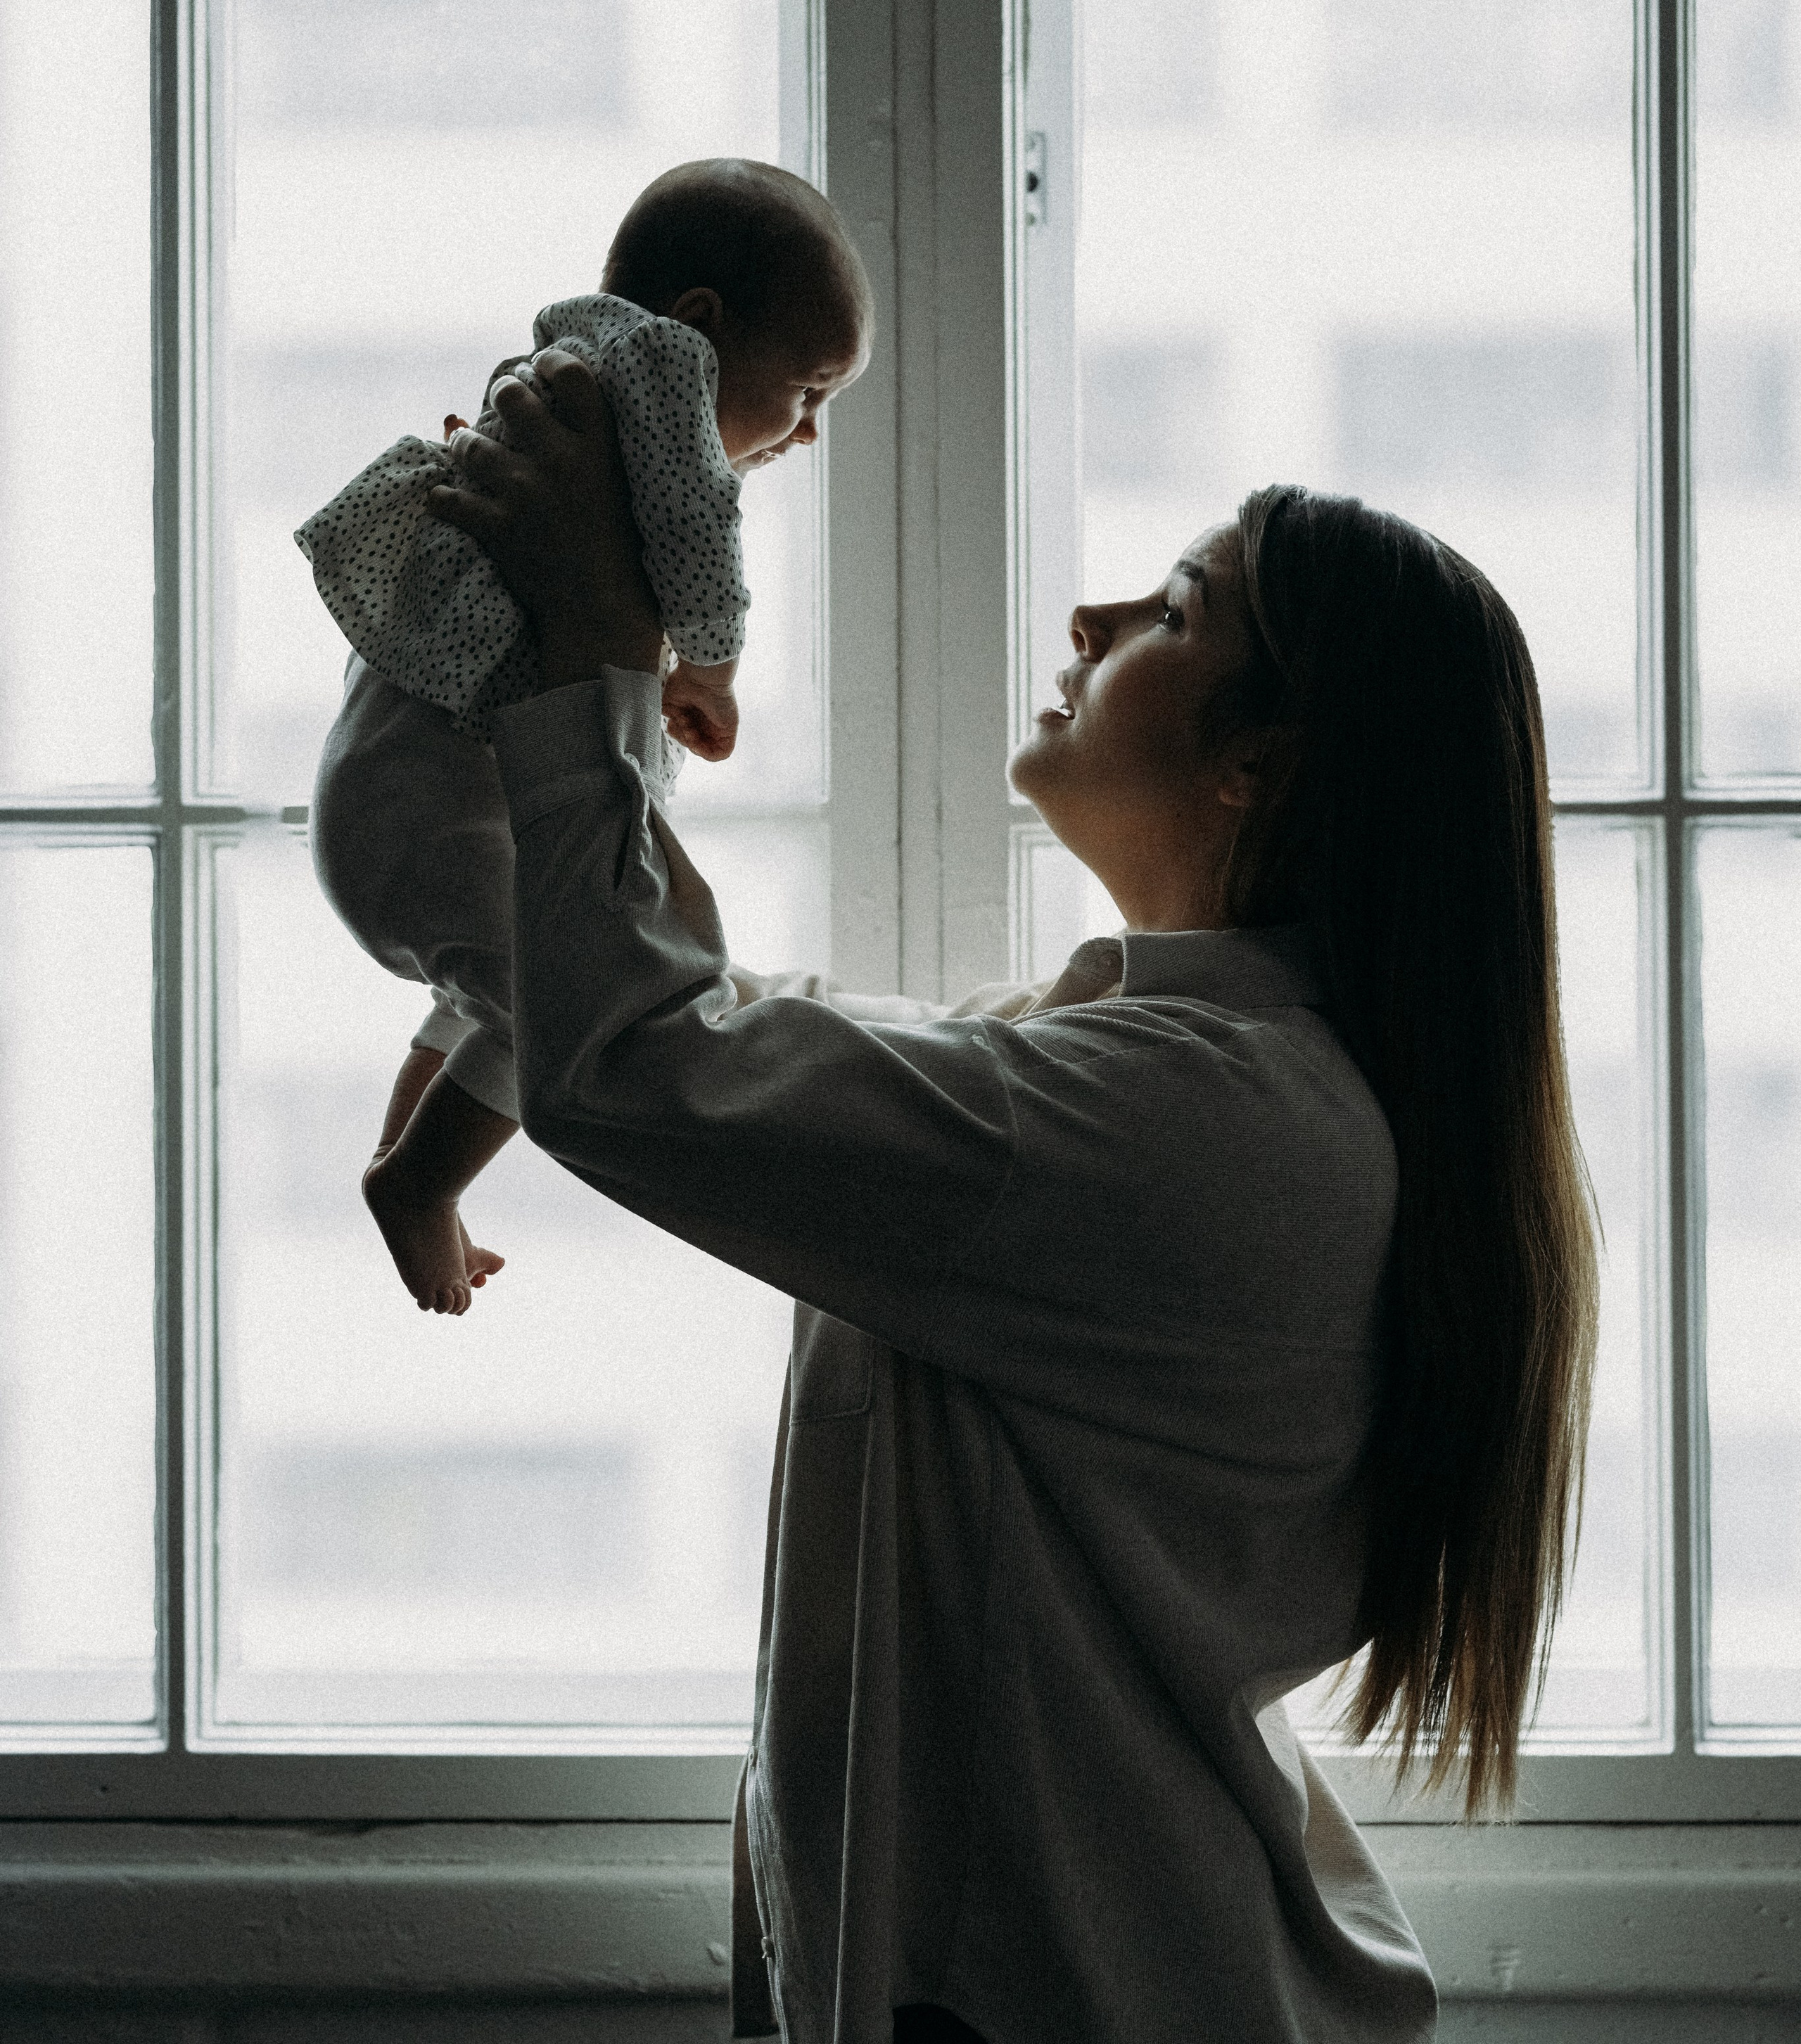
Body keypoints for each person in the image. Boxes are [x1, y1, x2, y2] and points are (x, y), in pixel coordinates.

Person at [428, 354, 1600, 2044]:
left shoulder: (1190, 1124)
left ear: (1257, 768)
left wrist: (590, 657)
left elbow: (643, 1064)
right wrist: (580, 663)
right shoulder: (1146, 1078)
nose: (1089, 616)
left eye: (1173, 612)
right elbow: (704, 1027)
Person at [297, 158, 872, 1315]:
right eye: (809, 390)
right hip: (423, 806)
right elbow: (702, 533)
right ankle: (418, 1184)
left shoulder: (568, 373)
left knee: (496, 996)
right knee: (559, 1005)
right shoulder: (654, 375)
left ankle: (407, 1169)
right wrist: (709, 666)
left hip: (393, 802)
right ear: (702, 324)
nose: (810, 433)